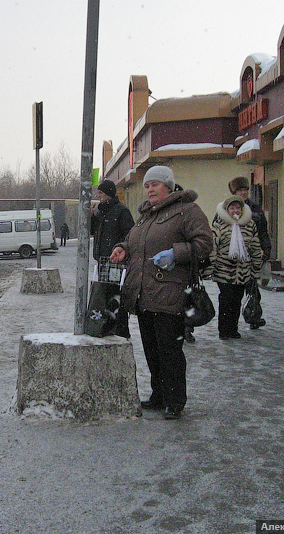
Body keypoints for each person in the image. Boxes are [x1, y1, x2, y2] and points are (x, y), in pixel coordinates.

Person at [110, 166, 212, 420]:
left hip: (170, 294)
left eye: (155, 184)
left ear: (169, 186)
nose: (150, 189)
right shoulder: (146, 215)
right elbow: (137, 244)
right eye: (147, 185)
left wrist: (175, 254)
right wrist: (124, 248)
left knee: (169, 350)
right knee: (152, 349)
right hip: (143, 294)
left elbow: (204, 243)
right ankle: (159, 396)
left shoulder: (186, 210)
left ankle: (175, 400)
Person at [206, 195, 264, 340]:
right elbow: (213, 247)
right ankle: (224, 331)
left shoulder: (249, 225)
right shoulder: (220, 224)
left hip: (243, 271)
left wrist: (256, 267)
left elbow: (256, 247)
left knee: (236, 300)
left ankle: (233, 329)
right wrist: (209, 268)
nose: (235, 210)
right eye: (232, 208)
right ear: (227, 210)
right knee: (226, 300)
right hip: (224, 270)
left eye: (238, 208)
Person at [91, 179, 135, 338]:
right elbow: (92, 232)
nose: (99, 195)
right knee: (104, 295)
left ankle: (121, 330)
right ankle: (107, 326)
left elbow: (129, 235)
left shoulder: (121, 211)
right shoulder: (101, 212)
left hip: (116, 262)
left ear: (109, 193)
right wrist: (91, 218)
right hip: (102, 261)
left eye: (101, 193)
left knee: (117, 295)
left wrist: (120, 248)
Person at [228, 176, 271, 329]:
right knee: (232, 293)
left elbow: (263, 232)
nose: (243, 192)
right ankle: (230, 324)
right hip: (233, 257)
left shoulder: (255, 208)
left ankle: (253, 316)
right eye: (240, 190)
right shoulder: (227, 209)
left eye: (245, 189)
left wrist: (266, 251)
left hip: (252, 255)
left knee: (252, 289)